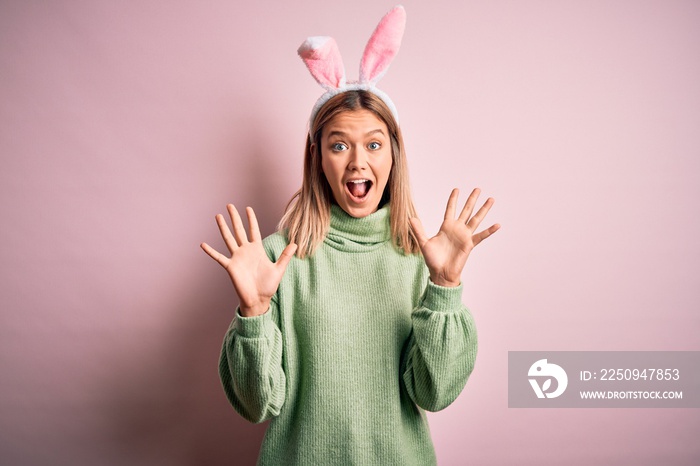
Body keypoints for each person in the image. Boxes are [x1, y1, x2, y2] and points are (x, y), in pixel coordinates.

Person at [201, 6, 500, 465]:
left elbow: (435, 393)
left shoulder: (421, 257)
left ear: (393, 156)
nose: (358, 161)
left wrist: (443, 290)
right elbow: (256, 405)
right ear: (318, 156)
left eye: (374, 144)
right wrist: (254, 311)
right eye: (339, 145)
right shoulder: (277, 259)